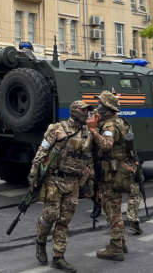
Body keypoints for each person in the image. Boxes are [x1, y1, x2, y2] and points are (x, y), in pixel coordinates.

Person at [29, 100, 93, 272]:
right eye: (83, 110)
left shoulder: (88, 132)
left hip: (74, 183)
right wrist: (34, 171)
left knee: (64, 221)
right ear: (74, 110)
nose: (86, 113)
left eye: (87, 110)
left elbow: (88, 159)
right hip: (54, 180)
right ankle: (40, 241)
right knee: (50, 216)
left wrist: (89, 182)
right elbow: (42, 150)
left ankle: (58, 257)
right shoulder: (57, 128)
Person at [88, 90, 132, 262]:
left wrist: (93, 130)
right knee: (113, 209)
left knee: (112, 211)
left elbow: (106, 145)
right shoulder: (118, 121)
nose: (97, 106)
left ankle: (115, 248)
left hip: (111, 175)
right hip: (116, 171)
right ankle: (120, 241)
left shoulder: (109, 125)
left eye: (99, 103)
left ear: (107, 108)